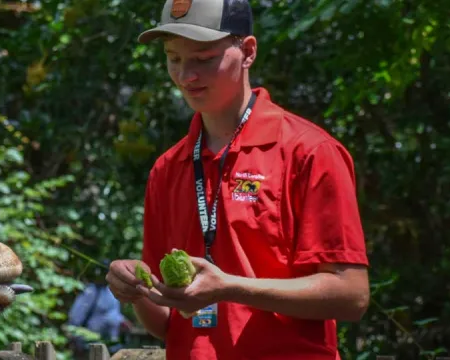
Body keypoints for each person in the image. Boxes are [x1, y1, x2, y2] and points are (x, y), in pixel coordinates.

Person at [104, 0, 371, 359]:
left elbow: (351, 295)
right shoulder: (168, 168)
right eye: (174, 58)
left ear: (247, 51)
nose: (186, 76)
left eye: (203, 58)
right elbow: (167, 322)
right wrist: (135, 288)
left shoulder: (309, 152)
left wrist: (229, 288)